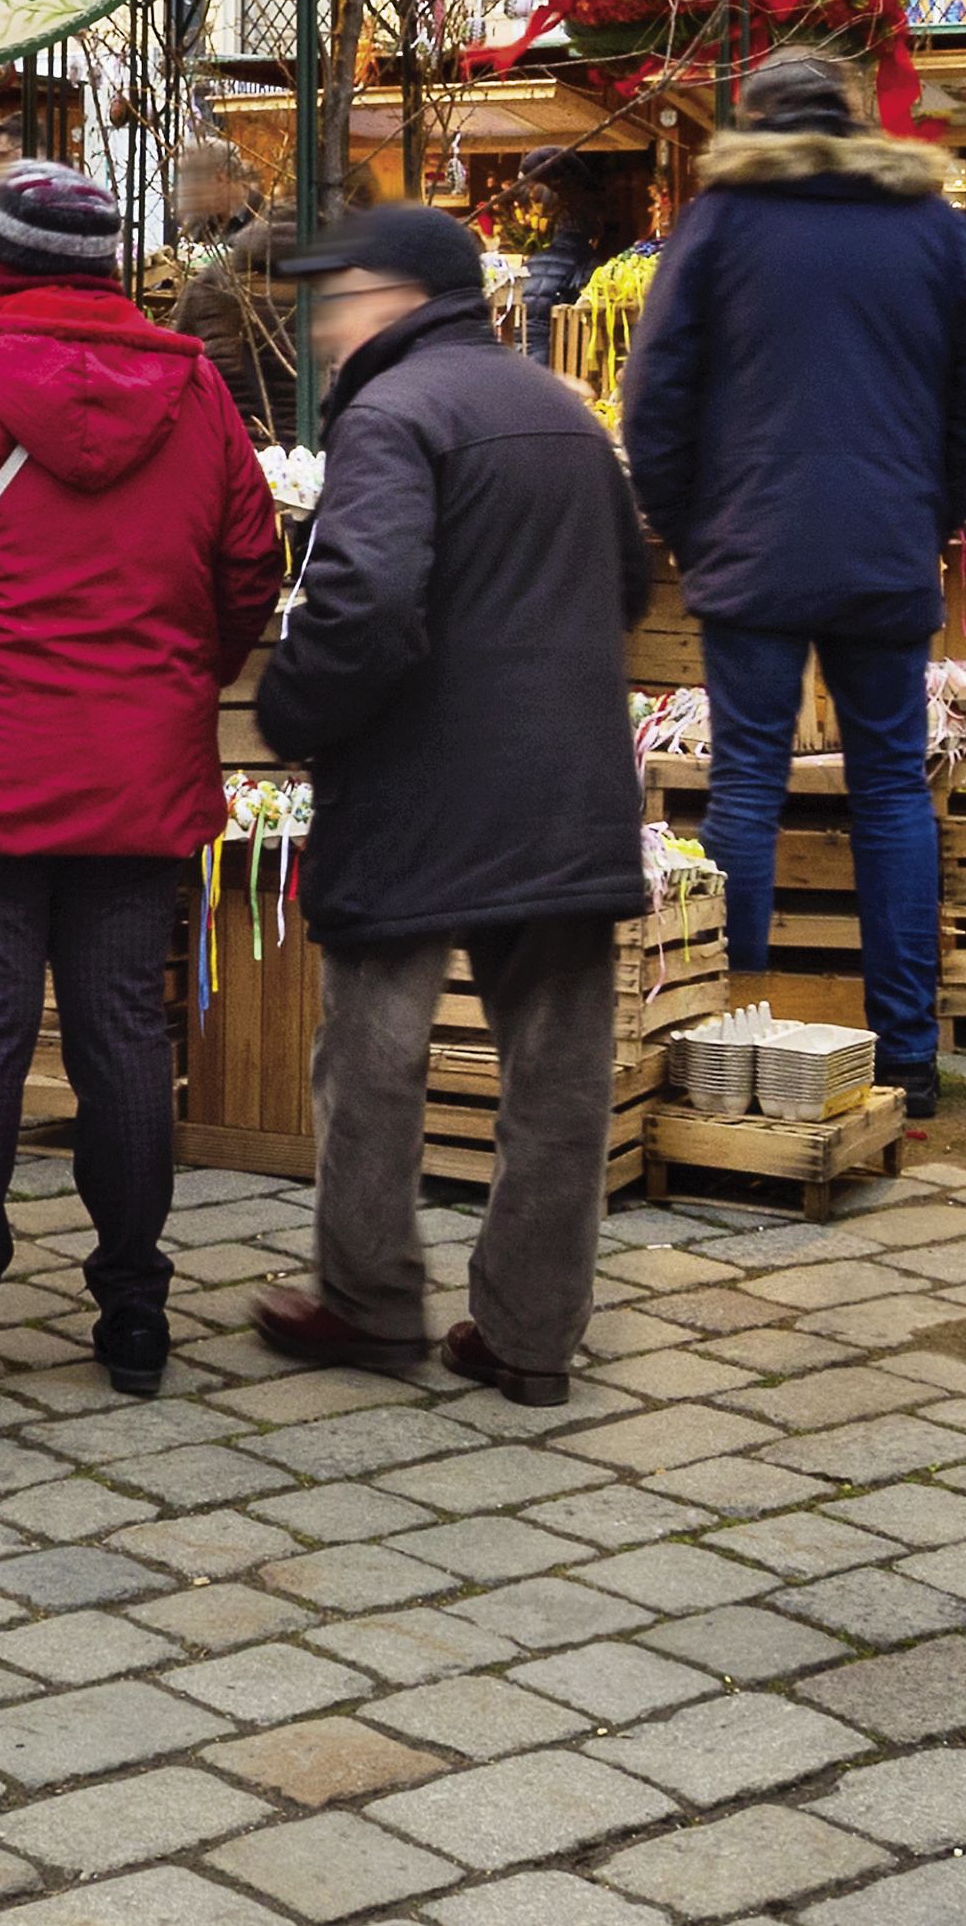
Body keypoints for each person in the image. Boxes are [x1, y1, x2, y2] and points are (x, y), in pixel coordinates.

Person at [0, 163, 277, 1403]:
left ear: (2, 265)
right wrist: (176, 675)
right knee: (125, 1034)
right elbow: (250, 572)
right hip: (137, 764)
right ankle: (134, 1314)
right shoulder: (195, 392)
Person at [252, 200, 656, 1404]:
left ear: (394, 296)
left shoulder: (393, 411)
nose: (322, 326)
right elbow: (626, 581)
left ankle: (369, 1302)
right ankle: (531, 1336)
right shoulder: (562, 410)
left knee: (372, 1053)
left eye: (337, 299)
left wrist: (293, 713)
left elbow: (365, 597)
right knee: (560, 1072)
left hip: (423, 784)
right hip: (567, 786)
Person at [617, 43, 966, 1118]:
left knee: (746, 783)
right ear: (854, 119)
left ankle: (720, 1040)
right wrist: (920, 514)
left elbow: (651, 400)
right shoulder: (933, 227)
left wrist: (695, 533)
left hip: (749, 545)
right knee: (890, 785)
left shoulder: (720, 224)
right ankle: (906, 1056)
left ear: (754, 120)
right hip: (883, 548)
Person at [168, 142, 304, 436]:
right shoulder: (196, 227)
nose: (185, 193)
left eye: (192, 182)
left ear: (219, 178)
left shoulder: (265, 224)